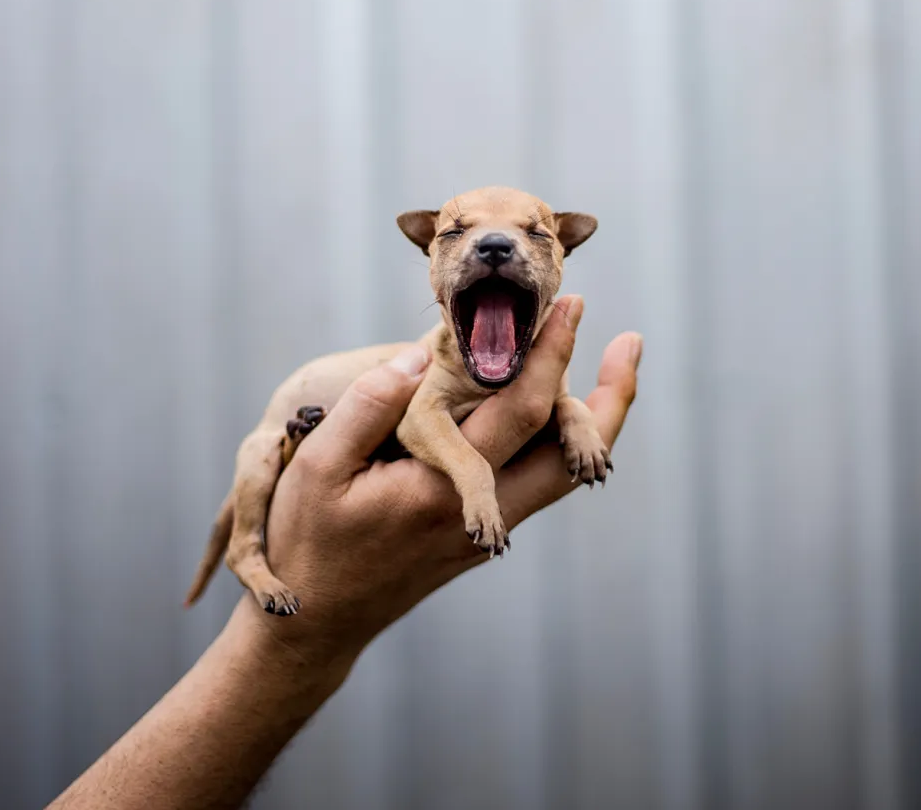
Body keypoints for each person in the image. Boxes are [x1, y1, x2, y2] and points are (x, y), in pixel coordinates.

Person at [49, 296, 641, 810]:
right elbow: (422, 422)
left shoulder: (512, 352)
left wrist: (575, 422)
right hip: (290, 443)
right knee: (260, 458)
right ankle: (246, 556)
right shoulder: (443, 356)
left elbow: (557, 401)